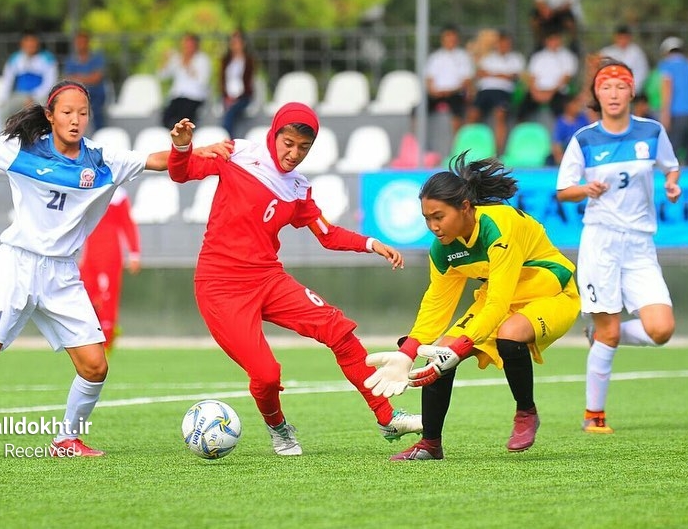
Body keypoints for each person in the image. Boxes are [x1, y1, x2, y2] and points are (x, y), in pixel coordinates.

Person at [0, 80, 231, 459]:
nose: (76, 120)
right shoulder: (19, 150)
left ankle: (66, 440)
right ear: (50, 116)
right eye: (68, 112)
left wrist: (191, 146)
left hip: (61, 275)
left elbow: (158, 161)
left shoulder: (101, 162)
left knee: (95, 366)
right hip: (17, 265)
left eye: (83, 113)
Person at [166, 103, 422, 456]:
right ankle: (278, 428)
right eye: (288, 143)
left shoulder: (299, 188)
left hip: (268, 278)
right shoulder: (237, 153)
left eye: (304, 148)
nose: (294, 153)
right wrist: (181, 146)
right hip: (220, 285)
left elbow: (327, 234)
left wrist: (371, 243)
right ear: (274, 135)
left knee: (338, 330)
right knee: (267, 375)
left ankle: (387, 416)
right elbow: (181, 174)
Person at [364, 152, 581, 460]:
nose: (433, 226)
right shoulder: (443, 250)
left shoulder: (498, 228)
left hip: (550, 293)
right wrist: (408, 352)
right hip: (499, 297)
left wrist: (461, 348)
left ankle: (526, 411)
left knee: (509, 333)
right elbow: (436, 307)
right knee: (439, 351)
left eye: (439, 216)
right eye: (427, 219)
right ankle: (430, 444)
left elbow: (499, 303)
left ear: (465, 208)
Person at [556, 59, 681, 434]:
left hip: (641, 244)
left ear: (631, 92)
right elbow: (564, 191)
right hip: (601, 242)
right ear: (596, 93)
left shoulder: (653, 131)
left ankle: (599, 335)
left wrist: (672, 184)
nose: (613, 94)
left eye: (621, 86)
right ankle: (594, 415)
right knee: (611, 331)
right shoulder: (584, 139)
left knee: (661, 330)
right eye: (606, 87)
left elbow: (670, 166)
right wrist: (585, 189)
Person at [79, 185, 140, 350]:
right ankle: (92, 337)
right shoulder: (87, 188)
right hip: (90, 252)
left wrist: (134, 253)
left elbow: (127, 223)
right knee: (86, 294)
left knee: (107, 297)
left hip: (110, 253)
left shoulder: (118, 194)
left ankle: (107, 339)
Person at [0, 29, 58, 134]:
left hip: (40, 96)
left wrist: (33, 97)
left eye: (32, 41)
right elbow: (7, 82)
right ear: (22, 43)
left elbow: (49, 83)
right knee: (4, 111)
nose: (30, 45)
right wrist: (2, 99)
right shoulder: (15, 59)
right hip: (19, 96)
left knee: (40, 113)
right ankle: (4, 137)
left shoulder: (47, 59)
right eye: (27, 41)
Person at [468, 30, 525, 153]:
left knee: (500, 114)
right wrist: (501, 74)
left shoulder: (516, 58)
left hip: (503, 91)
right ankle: (470, 147)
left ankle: (497, 151)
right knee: (473, 114)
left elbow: (513, 76)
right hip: (485, 91)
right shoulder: (488, 58)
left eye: (507, 43)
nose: (504, 46)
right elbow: (480, 73)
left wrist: (492, 74)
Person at [519, 28, 578, 122]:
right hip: (537, 91)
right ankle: (520, 134)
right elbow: (531, 78)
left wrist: (550, 93)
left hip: (557, 92)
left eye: (556, 39)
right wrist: (535, 92)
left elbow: (566, 79)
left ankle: (559, 135)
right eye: (551, 39)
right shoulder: (537, 57)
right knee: (521, 110)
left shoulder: (568, 57)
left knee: (563, 111)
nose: (554, 42)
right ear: (546, 41)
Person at [425, 24, 475, 138]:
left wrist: (450, 91)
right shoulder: (435, 57)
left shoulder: (463, 56)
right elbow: (429, 80)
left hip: (455, 93)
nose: (450, 40)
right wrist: (434, 91)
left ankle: (456, 150)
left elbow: (466, 81)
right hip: (437, 94)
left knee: (457, 114)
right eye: (447, 37)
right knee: (418, 112)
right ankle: (418, 146)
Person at [158, 32, 211, 129]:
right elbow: (162, 75)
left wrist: (188, 65)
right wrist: (165, 60)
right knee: (166, 119)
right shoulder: (177, 58)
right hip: (177, 97)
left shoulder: (202, 59)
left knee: (183, 120)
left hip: (194, 97)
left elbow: (203, 82)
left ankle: (183, 141)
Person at [657, 36, 688, 165]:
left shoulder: (666, 65)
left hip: (677, 115)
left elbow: (667, 88)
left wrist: (664, 114)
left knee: (672, 154)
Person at [64, 30, 109, 132]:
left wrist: (78, 78)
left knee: (96, 112)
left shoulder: (97, 57)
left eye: (83, 42)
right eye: (78, 42)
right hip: (76, 95)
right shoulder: (71, 60)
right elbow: (68, 79)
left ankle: (99, 136)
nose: (81, 45)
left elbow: (97, 78)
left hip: (95, 95)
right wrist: (87, 78)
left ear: (88, 43)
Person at [219, 29, 257, 138]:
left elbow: (248, 82)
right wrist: (227, 96)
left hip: (243, 97)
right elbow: (222, 80)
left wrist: (236, 98)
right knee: (229, 110)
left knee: (231, 112)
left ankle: (227, 140)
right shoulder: (226, 60)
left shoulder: (248, 61)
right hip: (227, 96)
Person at [599, 25, 650, 100]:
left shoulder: (636, 53)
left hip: (632, 93)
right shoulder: (607, 52)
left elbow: (642, 73)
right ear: (615, 38)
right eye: (620, 38)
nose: (623, 41)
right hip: (611, 94)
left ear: (630, 38)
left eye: (625, 38)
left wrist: (630, 89)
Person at [549, 93, 590, 165]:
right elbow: (556, 144)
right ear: (568, 106)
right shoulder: (560, 123)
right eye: (575, 104)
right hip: (566, 151)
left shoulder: (583, 119)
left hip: (581, 151)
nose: (578, 107)